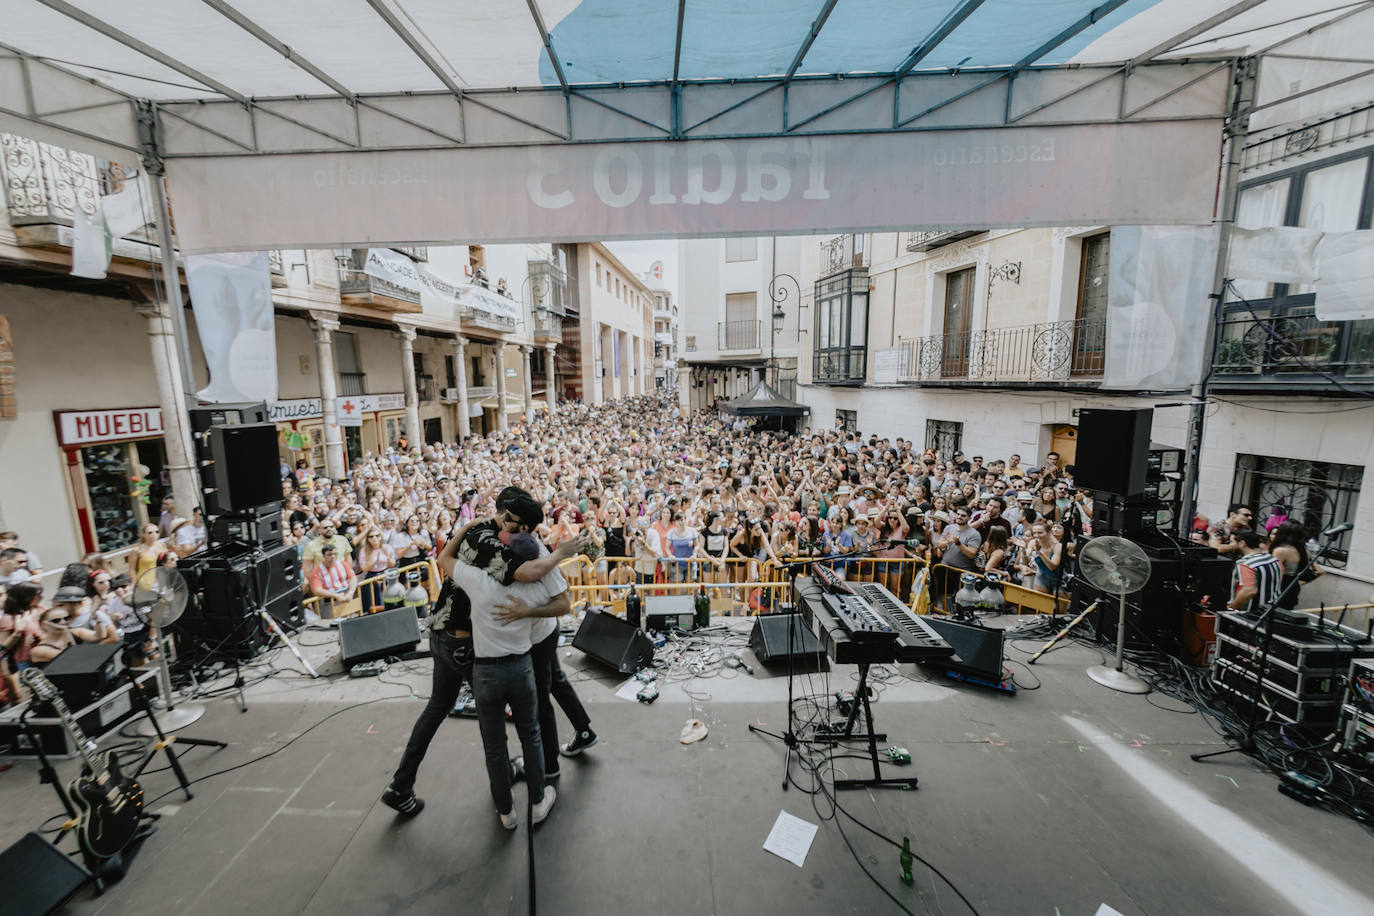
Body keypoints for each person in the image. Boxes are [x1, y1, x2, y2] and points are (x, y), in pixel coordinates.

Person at [380, 489, 584, 819]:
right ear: (506, 518)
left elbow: (445, 558)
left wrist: (462, 527)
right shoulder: (495, 545)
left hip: (439, 633)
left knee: (437, 707)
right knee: (495, 726)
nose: (525, 534)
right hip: (464, 645)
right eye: (522, 527)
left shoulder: (477, 530)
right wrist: (560, 552)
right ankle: (507, 794)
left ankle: (401, 785)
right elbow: (530, 573)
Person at [1269, 520, 1323, 610]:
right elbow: (1318, 571)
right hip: (1292, 586)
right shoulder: (1302, 550)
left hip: (1279, 587)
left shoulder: (1281, 550)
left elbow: (1273, 573)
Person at [1227, 531, 1282, 615]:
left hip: (1252, 615)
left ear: (1242, 543)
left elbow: (1249, 591)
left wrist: (1231, 608)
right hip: (1272, 611)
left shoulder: (1245, 564)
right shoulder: (1273, 559)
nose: (1230, 545)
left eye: (1232, 542)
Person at [308, 543, 357, 608]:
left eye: (335, 554)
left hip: (347, 596)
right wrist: (335, 595)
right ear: (323, 556)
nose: (333, 556)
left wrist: (350, 593)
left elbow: (353, 578)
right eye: (329, 554)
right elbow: (316, 590)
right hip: (330, 600)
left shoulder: (343, 564)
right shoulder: (317, 571)